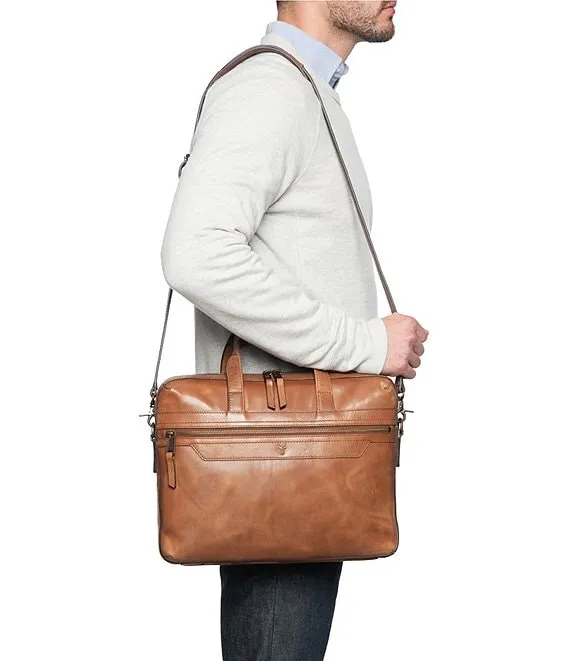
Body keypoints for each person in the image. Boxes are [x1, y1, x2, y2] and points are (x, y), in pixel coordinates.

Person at [160, 2, 428, 659]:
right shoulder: (271, 91)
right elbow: (194, 254)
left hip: (301, 455)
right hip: (283, 457)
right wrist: (367, 345)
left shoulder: (302, 91)